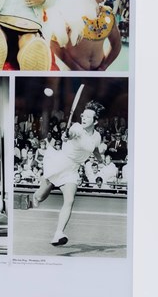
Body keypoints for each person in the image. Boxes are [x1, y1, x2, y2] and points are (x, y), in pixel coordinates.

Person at [30, 100, 105, 245]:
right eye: (83, 115)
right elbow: (71, 134)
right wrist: (67, 136)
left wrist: (100, 159)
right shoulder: (77, 127)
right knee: (40, 196)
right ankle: (36, 195)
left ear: (95, 122)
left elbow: (94, 149)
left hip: (72, 169)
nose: (83, 118)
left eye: (88, 117)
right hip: (58, 163)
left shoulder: (97, 136)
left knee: (69, 200)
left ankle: (58, 233)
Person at [52, 0, 122, 71]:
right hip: (71, 73)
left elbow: (116, 44)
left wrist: (104, 66)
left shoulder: (108, 14)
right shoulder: (72, 9)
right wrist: (75, 68)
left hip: (97, 75)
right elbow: (54, 43)